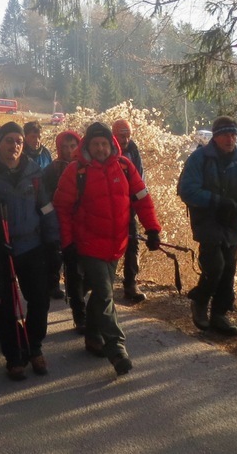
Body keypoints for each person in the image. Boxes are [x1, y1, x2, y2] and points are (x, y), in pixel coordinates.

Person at [53, 122, 162, 377]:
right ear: (87, 146)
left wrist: (152, 229)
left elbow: (143, 198)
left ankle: (92, 337)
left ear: (111, 144)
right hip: (89, 244)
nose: (100, 148)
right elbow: (62, 209)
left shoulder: (124, 167)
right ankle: (116, 348)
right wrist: (67, 244)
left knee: (101, 294)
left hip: (116, 244)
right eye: (95, 144)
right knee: (104, 294)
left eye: (104, 143)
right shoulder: (76, 171)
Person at [0, 121, 61, 380]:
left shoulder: (34, 172)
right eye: (9, 140)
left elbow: (46, 209)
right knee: (5, 305)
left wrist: (53, 242)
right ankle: (13, 355)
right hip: (2, 249)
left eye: (19, 141)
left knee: (39, 299)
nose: (14, 145)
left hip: (32, 246)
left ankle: (34, 347)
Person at [177, 115, 237, 336]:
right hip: (207, 219)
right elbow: (187, 190)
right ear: (216, 136)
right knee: (215, 266)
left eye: (233, 134)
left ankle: (219, 315)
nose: (230, 139)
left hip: (233, 220)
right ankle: (200, 301)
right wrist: (216, 201)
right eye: (225, 135)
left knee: (229, 268)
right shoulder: (199, 158)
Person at [42, 129, 85, 328]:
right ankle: (79, 313)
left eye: (72, 146)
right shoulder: (51, 170)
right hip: (60, 222)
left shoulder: (87, 167)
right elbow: (45, 197)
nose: (69, 150)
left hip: (84, 225)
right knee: (69, 266)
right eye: (65, 147)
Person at [112, 118, 147, 303]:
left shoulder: (133, 150)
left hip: (129, 206)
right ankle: (103, 281)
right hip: (109, 207)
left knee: (133, 242)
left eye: (128, 136)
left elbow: (139, 178)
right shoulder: (107, 150)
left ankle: (131, 283)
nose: (125, 140)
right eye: (121, 136)